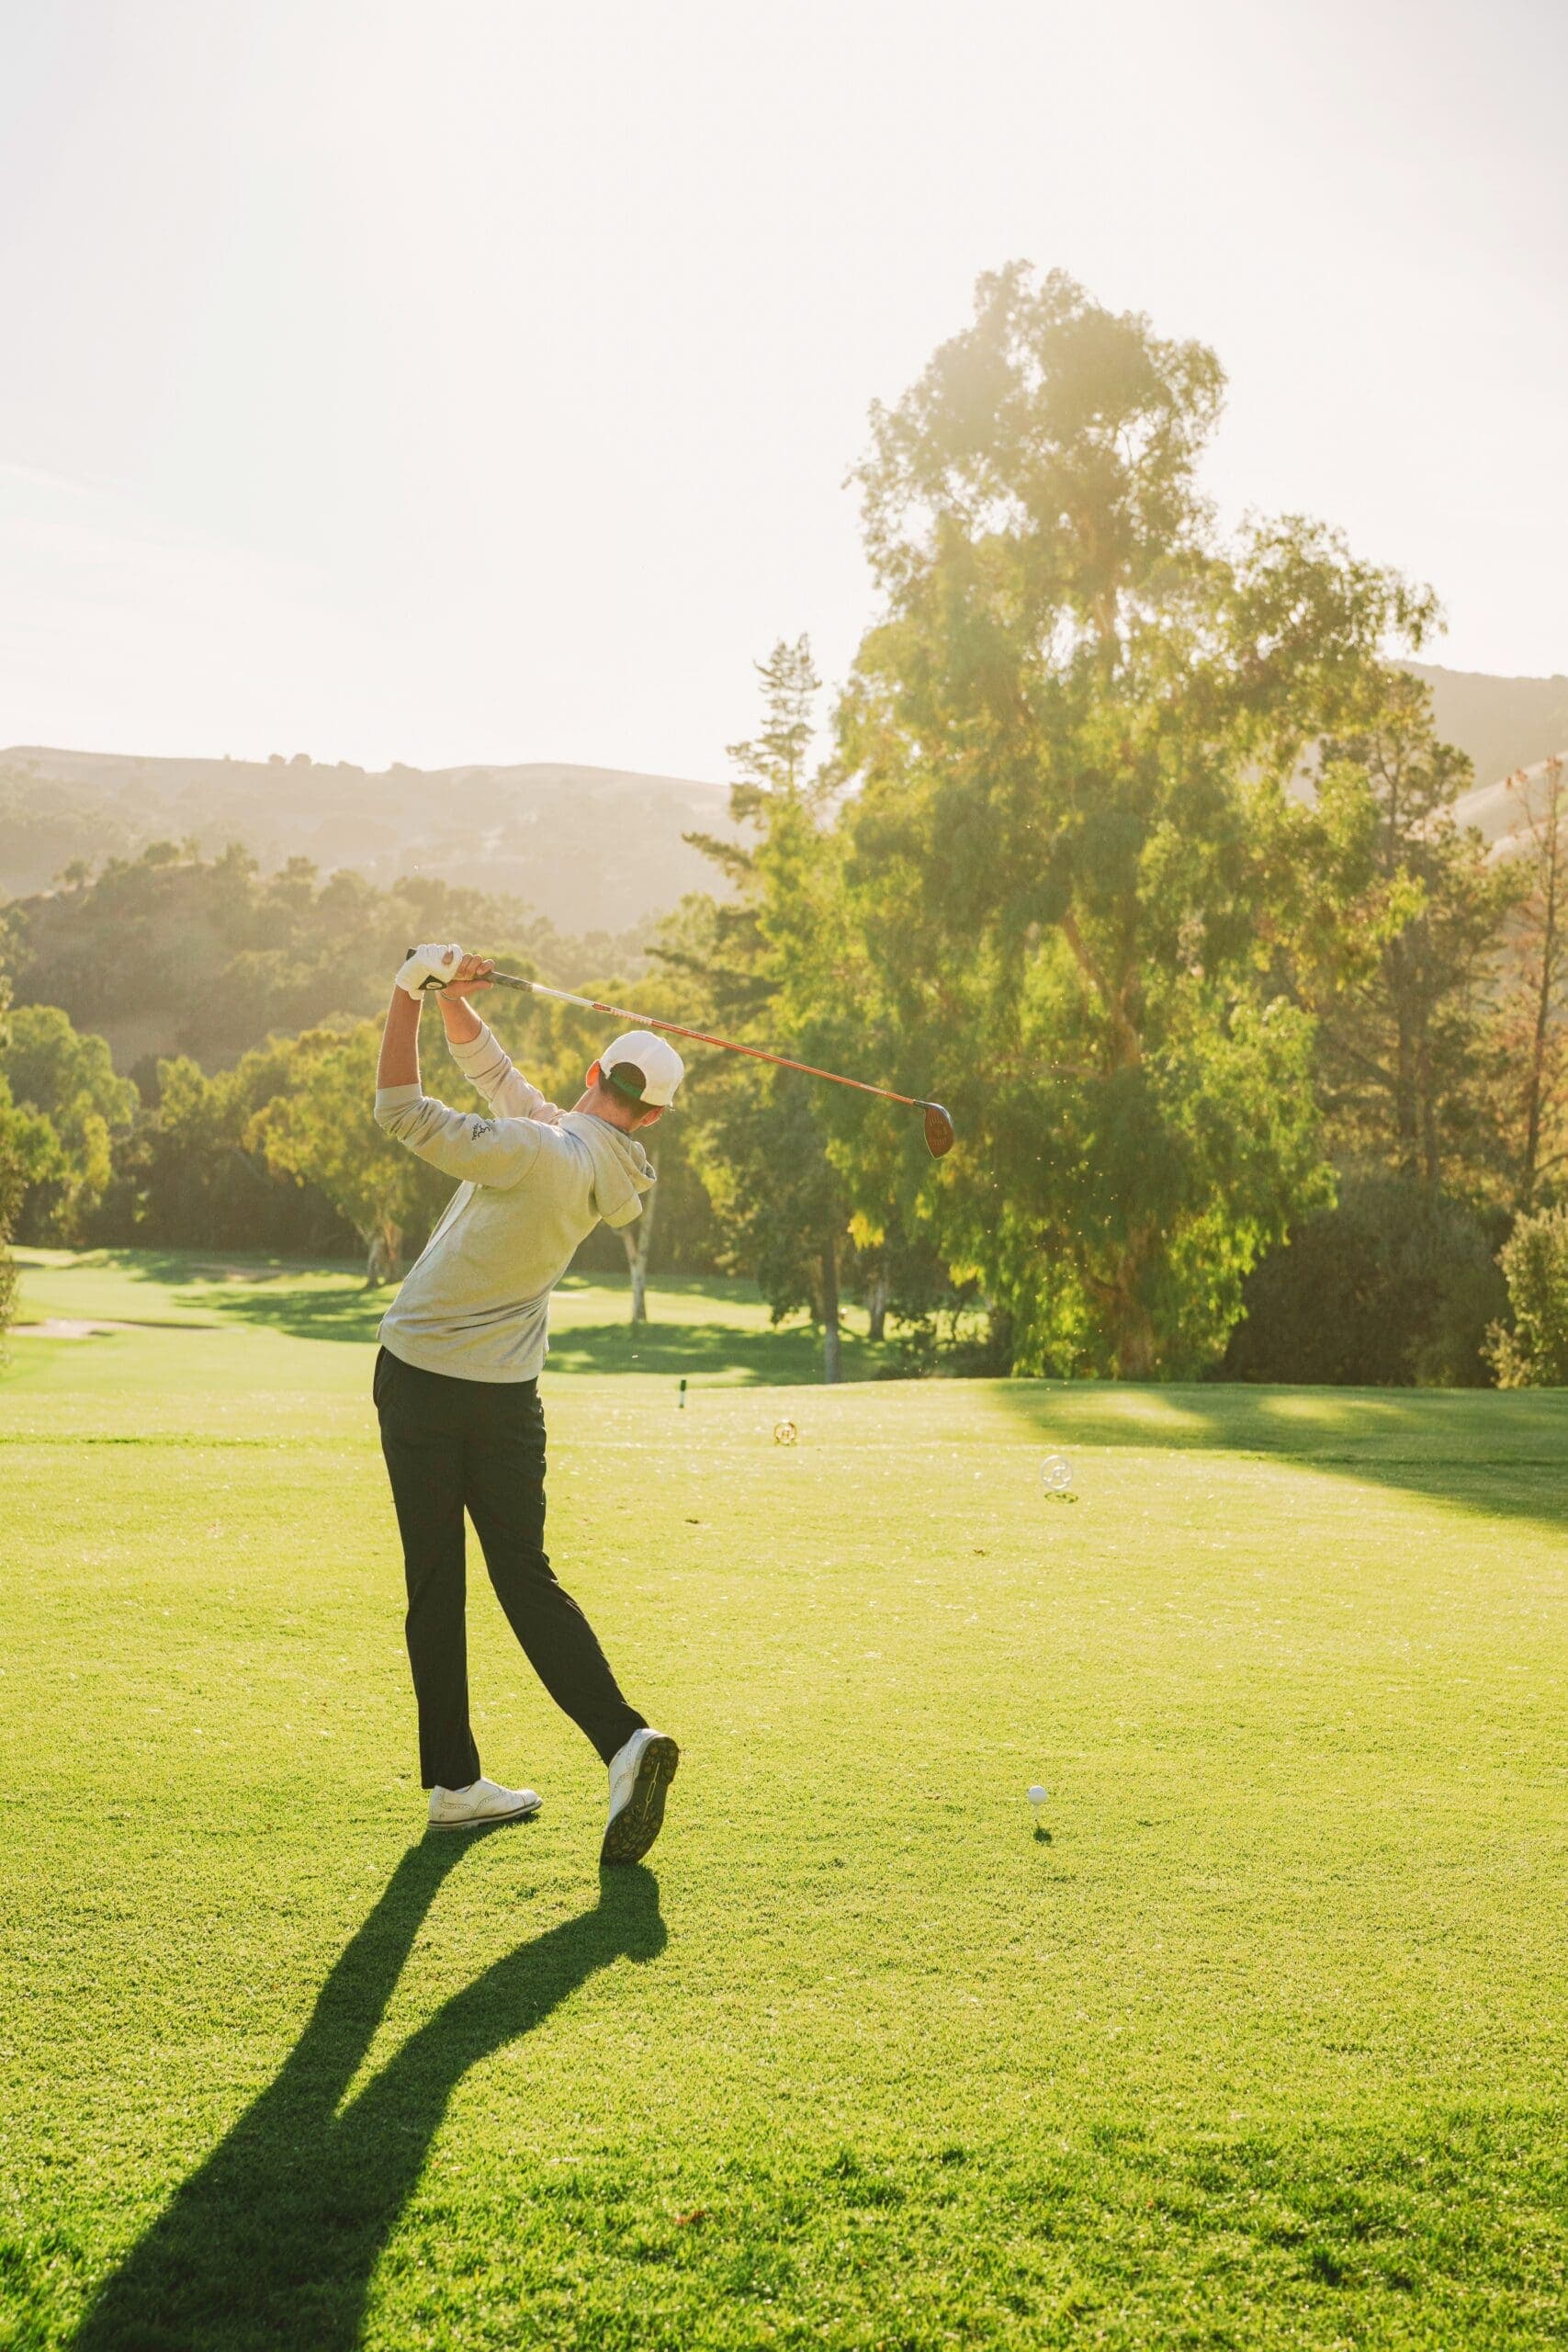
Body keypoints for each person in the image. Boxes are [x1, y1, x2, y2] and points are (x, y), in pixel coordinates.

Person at [371, 942, 681, 1861]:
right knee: (525, 1577)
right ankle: (624, 1741)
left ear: (594, 1074)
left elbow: (398, 1109)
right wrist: (454, 1003)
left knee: (436, 1583)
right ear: (651, 1117)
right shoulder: (591, 1161)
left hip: (421, 1378)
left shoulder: (531, 1147)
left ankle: (456, 1784)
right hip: (508, 1400)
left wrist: (403, 992)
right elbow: (500, 1077)